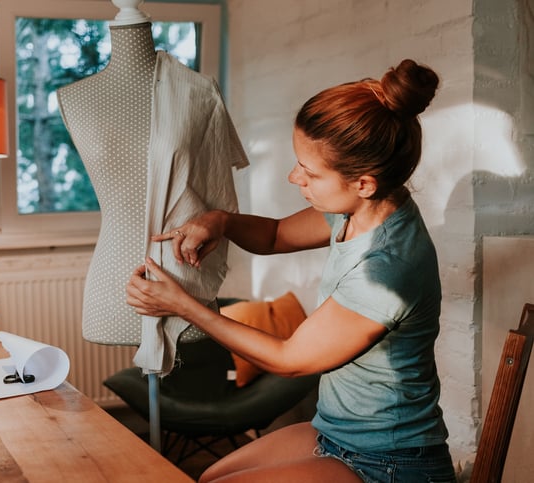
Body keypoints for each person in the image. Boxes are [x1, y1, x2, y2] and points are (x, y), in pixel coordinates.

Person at [126, 58, 457, 482]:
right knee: (207, 479)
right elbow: (275, 236)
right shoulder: (356, 211)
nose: (292, 176)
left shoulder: (388, 269)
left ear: (364, 183)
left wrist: (184, 305)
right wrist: (222, 220)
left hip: (391, 462)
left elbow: (290, 360)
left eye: (309, 172)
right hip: (335, 434)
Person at [57, 13, 247, 374]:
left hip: (183, 274)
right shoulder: (76, 97)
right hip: (113, 276)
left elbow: (217, 185)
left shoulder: (197, 92)